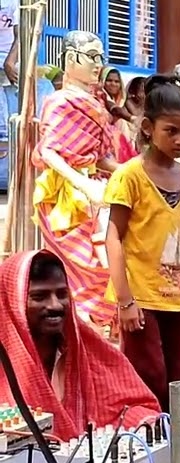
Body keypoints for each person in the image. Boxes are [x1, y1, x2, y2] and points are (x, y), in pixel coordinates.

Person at [103, 75, 180, 410]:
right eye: (171, 130)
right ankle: (148, 445)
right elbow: (113, 238)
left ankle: (175, 450)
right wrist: (125, 301)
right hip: (142, 297)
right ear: (148, 127)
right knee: (147, 374)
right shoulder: (129, 175)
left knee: (179, 376)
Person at [0, 250, 160, 440]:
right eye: (39, 296)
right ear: (12, 302)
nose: (55, 305)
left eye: (62, 294)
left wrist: (141, 429)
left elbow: (137, 409)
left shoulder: (89, 349)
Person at [31, 31, 119, 327]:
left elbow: (99, 156)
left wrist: (129, 173)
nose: (98, 64)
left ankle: (94, 330)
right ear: (70, 60)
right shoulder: (59, 101)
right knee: (84, 269)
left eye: (100, 57)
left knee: (109, 265)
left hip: (95, 190)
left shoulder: (95, 103)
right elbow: (50, 153)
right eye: (91, 57)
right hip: (65, 198)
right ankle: (80, 328)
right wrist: (84, 185)